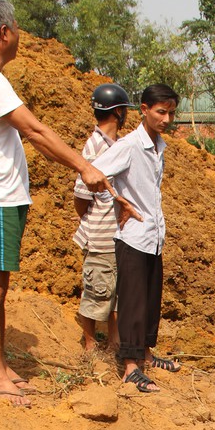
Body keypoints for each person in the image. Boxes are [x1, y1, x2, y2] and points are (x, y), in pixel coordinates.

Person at [0, 0, 129, 407]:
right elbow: (37, 131)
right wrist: (84, 166)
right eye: (18, 29)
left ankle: (1, 365)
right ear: (5, 32)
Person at [91, 83, 180, 393]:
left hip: (152, 235)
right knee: (132, 301)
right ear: (143, 110)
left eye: (171, 113)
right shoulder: (129, 146)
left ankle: (146, 355)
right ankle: (130, 367)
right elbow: (91, 174)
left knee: (150, 299)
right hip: (132, 236)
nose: (167, 119)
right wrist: (117, 199)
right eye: (160, 112)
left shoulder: (158, 147)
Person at [73, 83, 134, 352]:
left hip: (117, 235)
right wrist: (93, 220)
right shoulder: (94, 146)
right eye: (125, 111)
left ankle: (114, 342)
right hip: (99, 237)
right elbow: (80, 196)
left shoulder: (117, 144)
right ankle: (89, 343)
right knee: (97, 291)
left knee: (115, 293)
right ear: (118, 112)